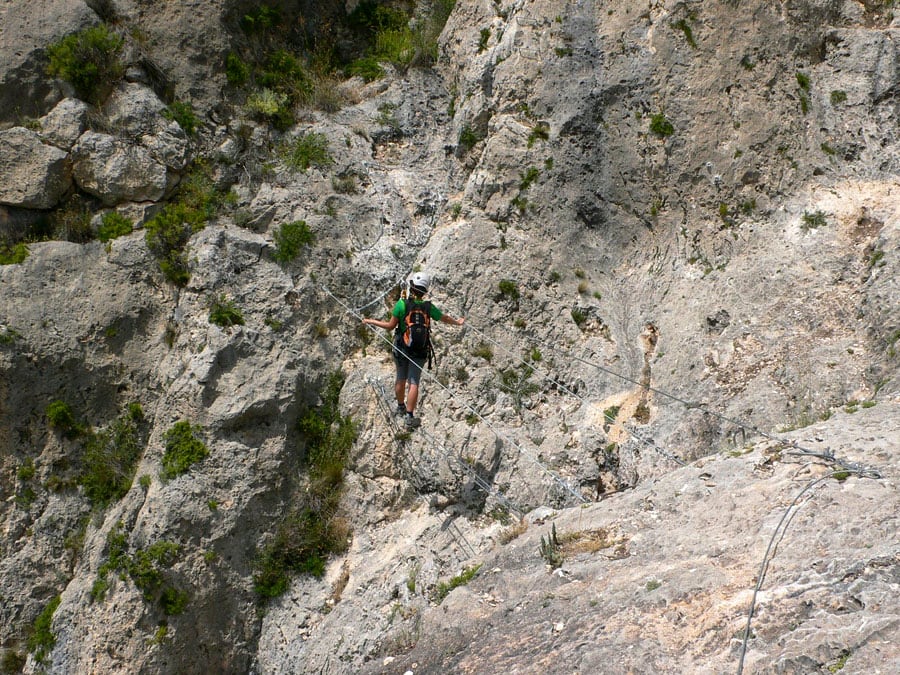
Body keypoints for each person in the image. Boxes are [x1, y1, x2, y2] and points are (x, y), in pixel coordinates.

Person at [362, 272, 465, 429]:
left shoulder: (402, 305)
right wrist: (457, 322)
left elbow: (390, 326)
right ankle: (410, 417)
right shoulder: (428, 307)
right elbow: (444, 318)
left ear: (411, 287)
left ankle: (401, 407)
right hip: (420, 350)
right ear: (425, 291)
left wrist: (370, 321)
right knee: (414, 382)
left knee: (401, 377)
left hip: (402, 346)